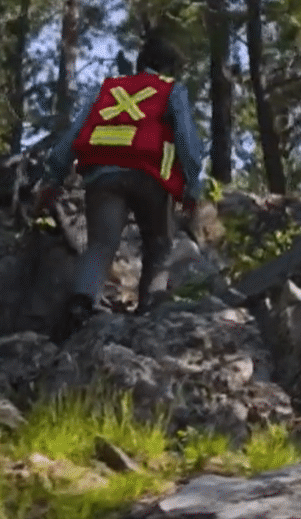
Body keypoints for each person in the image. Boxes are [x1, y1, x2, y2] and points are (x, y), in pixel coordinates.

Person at [37, 33, 207, 335]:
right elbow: (187, 141)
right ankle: (149, 311)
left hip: (104, 176)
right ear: (169, 68)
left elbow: (73, 136)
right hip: (150, 177)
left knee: (101, 245)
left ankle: (80, 305)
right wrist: (191, 187)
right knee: (159, 245)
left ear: (139, 63)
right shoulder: (171, 90)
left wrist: (54, 177)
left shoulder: (108, 89)